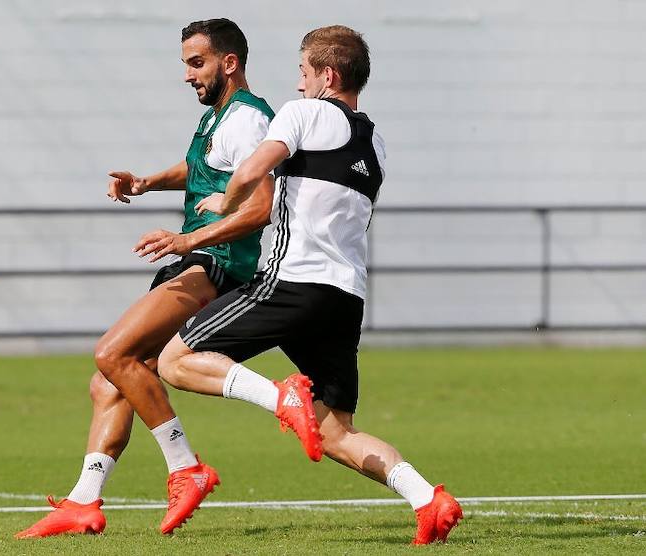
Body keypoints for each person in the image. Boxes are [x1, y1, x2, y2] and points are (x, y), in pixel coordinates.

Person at [112, 25, 465, 545]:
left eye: (303, 73)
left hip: (292, 280)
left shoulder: (303, 113)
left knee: (173, 361)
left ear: (328, 75)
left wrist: (225, 201)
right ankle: (426, 498)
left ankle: (281, 398)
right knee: (336, 431)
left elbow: (256, 165)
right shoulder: (376, 141)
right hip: (345, 298)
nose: (297, 85)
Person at [16, 18, 276, 539]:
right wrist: (147, 181)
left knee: (113, 355)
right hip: (197, 258)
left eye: (196, 63)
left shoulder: (248, 118)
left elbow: (263, 206)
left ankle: (186, 467)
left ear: (230, 63)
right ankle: (83, 502)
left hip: (215, 262)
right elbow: (201, 168)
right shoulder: (219, 118)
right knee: (108, 381)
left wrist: (188, 241)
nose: (187, 75)